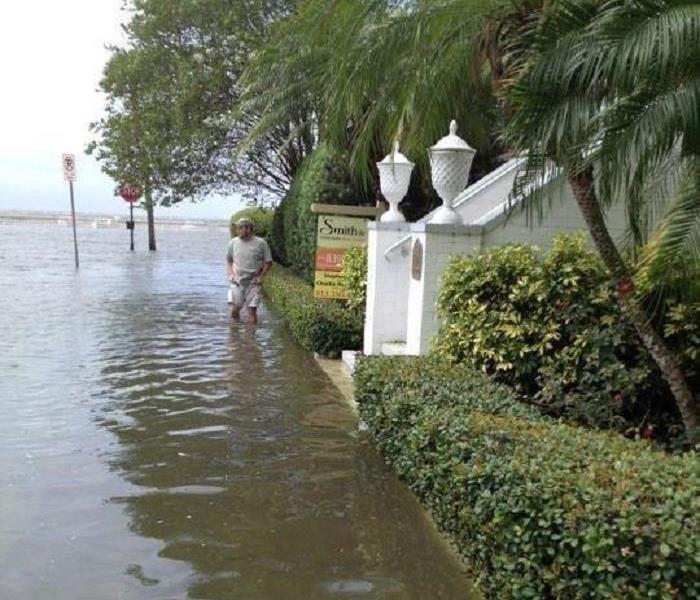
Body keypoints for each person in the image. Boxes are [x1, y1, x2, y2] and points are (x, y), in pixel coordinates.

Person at [226, 217, 273, 324]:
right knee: (234, 309)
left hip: (253, 282)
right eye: (237, 228)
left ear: (248, 229)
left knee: (251, 311)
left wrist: (261, 276)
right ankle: (235, 334)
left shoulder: (261, 243)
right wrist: (231, 273)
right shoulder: (233, 242)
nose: (237, 231)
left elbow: (268, 262)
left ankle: (250, 338)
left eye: (239, 228)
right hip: (237, 281)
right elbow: (229, 259)